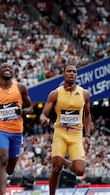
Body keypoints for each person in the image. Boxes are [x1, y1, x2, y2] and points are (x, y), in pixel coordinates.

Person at [0, 62, 33, 195]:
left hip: (17, 132)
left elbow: (31, 107)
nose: (8, 69)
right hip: (0, 129)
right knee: (2, 158)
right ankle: (2, 193)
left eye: (10, 68)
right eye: (5, 67)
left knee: (10, 169)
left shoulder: (21, 88)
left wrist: (22, 111)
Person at [40, 64, 91, 195]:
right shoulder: (55, 94)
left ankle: (64, 161)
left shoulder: (84, 94)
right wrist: (44, 119)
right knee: (56, 168)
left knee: (80, 170)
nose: (72, 73)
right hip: (60, 133)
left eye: (74, 71)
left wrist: (88, 135)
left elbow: (87, 115)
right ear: (64, 73)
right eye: (69, 71)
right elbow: (43, 113)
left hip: (76, 135)